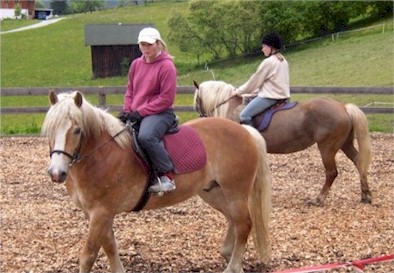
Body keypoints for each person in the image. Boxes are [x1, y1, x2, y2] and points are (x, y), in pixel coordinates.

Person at [118, 27, 177, 194]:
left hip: (161, 113)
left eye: (149, 44)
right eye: (142, 44)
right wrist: (127, 110)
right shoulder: (136, 64)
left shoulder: (167, 67)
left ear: (158, 44)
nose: (146, 48)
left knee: (146, 136)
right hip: (138, 112)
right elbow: (130, 91)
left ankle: (167, 176)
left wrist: (141, 112)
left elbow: (166, 99)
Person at [234, 32, 290, 126]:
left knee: (244, 115)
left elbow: (254, 81)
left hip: (270, 97)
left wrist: (238, 91)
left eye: (264, 46)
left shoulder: (268, 62)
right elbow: (272, 82)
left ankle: (253, 139)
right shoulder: (283, 60)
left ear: (270, 47)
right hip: (284, 96)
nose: (262, 49)